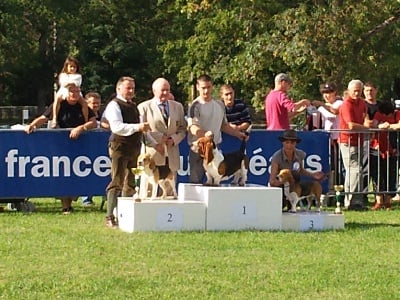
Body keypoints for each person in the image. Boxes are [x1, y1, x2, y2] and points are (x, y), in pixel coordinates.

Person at [25, 83, 97, 214]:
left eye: (77, 91)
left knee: (77, 175)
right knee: (64, 175)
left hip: (80, 145)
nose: (75, 94)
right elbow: (44, 117)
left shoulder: (83, 105)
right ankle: (66, 206)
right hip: (62, 146)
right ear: (66, 93)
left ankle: (73, 201)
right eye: (72, 92)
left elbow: (93, 121)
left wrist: (81, 128)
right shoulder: (59, 105)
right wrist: (32, 125)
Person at [102, 76, 150, 228]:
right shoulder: (113, 105)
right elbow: (117, 127)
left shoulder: (133, 106)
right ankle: (110, 216)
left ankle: (125, 215)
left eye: (133, 88)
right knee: (116, 181)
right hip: (119, 146)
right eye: (128, 88)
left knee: (130, 182)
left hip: (134, 146)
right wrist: (138, 127)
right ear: (118, 89)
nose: (131, 91)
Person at [187, 74, 248, 184]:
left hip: (215, 151)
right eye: (203, 88)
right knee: (195, 183)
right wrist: (205, 134)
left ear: (212, 87)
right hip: (199, 150)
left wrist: (238, 134)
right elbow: (192, 128)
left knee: (216, 181)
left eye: (208, 87)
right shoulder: (194, 105)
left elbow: (223, 125)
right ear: (197, 87)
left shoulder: (219, 104)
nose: (206, 91)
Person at [137, 78, 187, 197]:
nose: (165, 93)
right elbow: (141, 130)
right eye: (162, 90)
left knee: (169, 192)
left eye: (168, 90)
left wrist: (174, 139)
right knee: (149, 192)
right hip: (152, 156)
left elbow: (182, 128)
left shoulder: (178, 106)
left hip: (171, 154)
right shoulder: (143, 107)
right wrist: (158, 139)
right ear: (154, 91)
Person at [269, 129, 326, 210]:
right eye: (287, 143)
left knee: (295, 174)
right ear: (283, 143)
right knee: (280, 206)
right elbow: (272, 180)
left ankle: (293, 203)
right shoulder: (276, 157)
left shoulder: (300, 154)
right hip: (280, 185)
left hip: (294, 183)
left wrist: (313, 174)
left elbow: (301, 170)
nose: (289, 145)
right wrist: (282, 182)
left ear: (295, 143)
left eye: (292, 143)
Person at [338, 79, 371, 210]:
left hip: (359, 141)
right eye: (354, 91)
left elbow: (365, 116)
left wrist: (368, 122)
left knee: (355, 171)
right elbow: (351, 125)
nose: (357, 93)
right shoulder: (346, 105)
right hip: (347, 142)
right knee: (355, 170)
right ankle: (353, 201)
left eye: (359, 91)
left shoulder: (362, 103)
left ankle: (353, 201)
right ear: (349, 90)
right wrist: (366, 128)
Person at [312, 82, 343, 188]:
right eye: (324, 93)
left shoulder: (339, 103)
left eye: (329, 92)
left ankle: (339, 188)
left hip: (337, 139)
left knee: (338, 167)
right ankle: (329, 189)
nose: (326, 95)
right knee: (329, 166)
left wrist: (321, 105)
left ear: (335, 92)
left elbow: (334, 113)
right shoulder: (321, 108)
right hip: (326, 140)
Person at [370, 101, 400, 210]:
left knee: (391, 174)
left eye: (388, 115)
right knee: (377, 174)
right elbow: (374, 125)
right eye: (384, 115)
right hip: (377, 148)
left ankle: (388, 202)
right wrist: (379, 125)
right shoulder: (378, 113)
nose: (386, 117)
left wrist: (389, 126)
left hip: (393, 149)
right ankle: (379, 201)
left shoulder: (398, 113)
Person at [80, 92, 108, 206]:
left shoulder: (104, 115)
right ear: (86, 103)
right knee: (86, 172)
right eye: (92, 103)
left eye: (97, 103)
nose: (95, 105)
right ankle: (86, 198)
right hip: (86, 148)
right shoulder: (83, 115)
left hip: (101, 149)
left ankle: (106, 195)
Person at [52, 56, 89, 128]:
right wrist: (69, 84)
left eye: (74, 67)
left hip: (75, 92)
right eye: (71, 66)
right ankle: (54, 118)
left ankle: (86, 121)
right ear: (66, 67)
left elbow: (76, 84)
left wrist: (69, 84)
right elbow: (63, 84)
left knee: (84, 103)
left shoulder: (78, 76)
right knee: (57, 100)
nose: (72, 69)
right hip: (63, 91)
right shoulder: (62, 75)